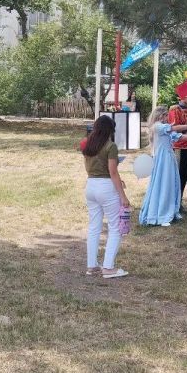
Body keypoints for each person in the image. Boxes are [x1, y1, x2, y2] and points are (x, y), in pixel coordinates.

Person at [81, 115, 130, 279]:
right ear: (110, 130)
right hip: (106, 188)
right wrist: (123, 196)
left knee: (94, 227)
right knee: (115, 228)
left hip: (91, 185)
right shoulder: (111, 146)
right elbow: (113, 172)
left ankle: (92, 266)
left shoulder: (87, 144)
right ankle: (108, 267)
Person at [140, 105, 187, 227]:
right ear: (161, 115)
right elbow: (175, 128)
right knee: (164, 183)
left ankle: (169, 210)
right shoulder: (157, 126)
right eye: (166, 115)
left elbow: (178, 136)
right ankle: (161, 214)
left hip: (168, 158)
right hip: (163, 159)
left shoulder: (164, 128)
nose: (168, 118)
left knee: (171, 183)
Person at [167, 83, 187, 203]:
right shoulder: (174, 110)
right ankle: (173, 202)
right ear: (184, 97)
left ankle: (178, 202)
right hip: (178, 146)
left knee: (184, 174)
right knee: (176, 175)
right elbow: (174, 128)